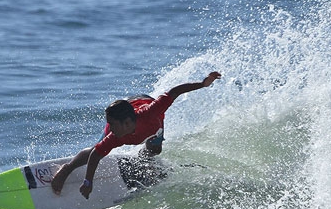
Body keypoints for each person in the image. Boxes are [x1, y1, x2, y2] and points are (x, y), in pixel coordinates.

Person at [51, 71, 222, 199]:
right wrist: (88, 181)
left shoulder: (152, 112)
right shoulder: (116, 135)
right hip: (126, 108)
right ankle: (68, 168)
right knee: (97, 148)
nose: (110, 128)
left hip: (143, 106)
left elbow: (175, 91)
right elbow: (96, 155)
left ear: (126, 123)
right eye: (109, 124)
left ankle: (144, 161)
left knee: (155, 150)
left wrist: (203, 83)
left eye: (113, 125)